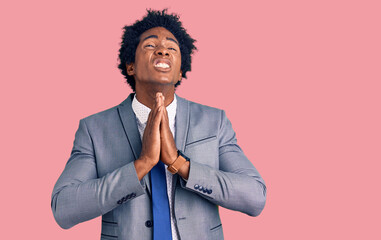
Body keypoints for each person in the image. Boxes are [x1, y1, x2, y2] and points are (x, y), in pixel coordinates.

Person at [51, 9, 266, 240]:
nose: (163, 50)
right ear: (130, 66)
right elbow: (64, 208)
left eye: (172, 48)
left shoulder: (215, 122)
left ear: (180, 70)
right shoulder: (94, 129)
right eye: (150, 45)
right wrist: (142, 165)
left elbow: (255, 196)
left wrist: (180, 164)